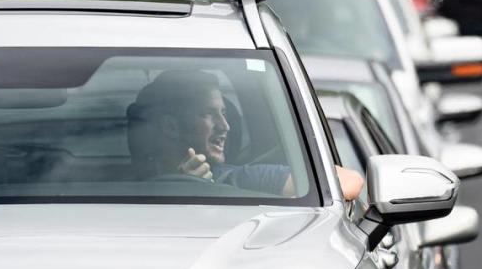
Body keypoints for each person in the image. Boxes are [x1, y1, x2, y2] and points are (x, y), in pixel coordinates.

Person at [129, 70, 363, 199]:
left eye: (223, 113)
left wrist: (208, 189)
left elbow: (350, 181)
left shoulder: (242, 181)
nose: (225, 126)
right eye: (209, 115)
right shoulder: (116, 186)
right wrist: (182, 188)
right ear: (170, 126)